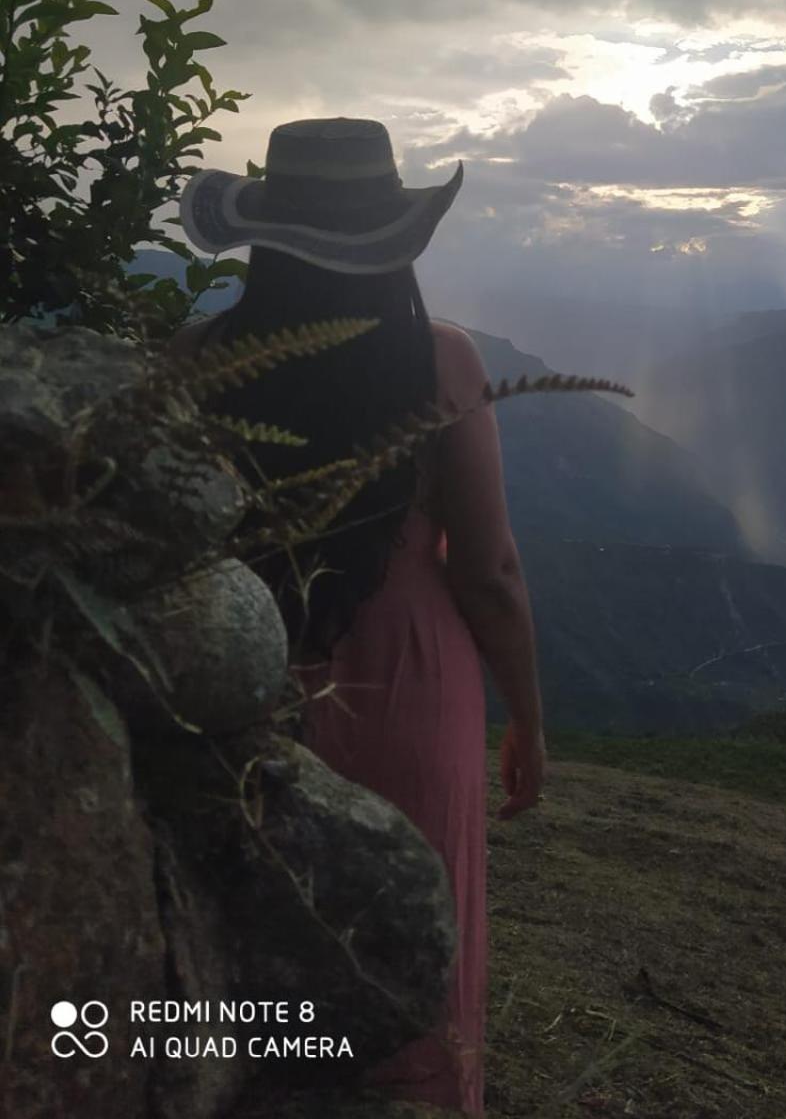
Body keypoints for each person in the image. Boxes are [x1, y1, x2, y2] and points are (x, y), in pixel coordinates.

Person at [167, 116, 548, 1116]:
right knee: (415, 940)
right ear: (394, 244)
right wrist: (530, 722)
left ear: (265, 239)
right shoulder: (446, 363)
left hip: (245, 679)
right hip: (412, 687)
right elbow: (491, 570)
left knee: (253, 932)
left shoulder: (197, 360)